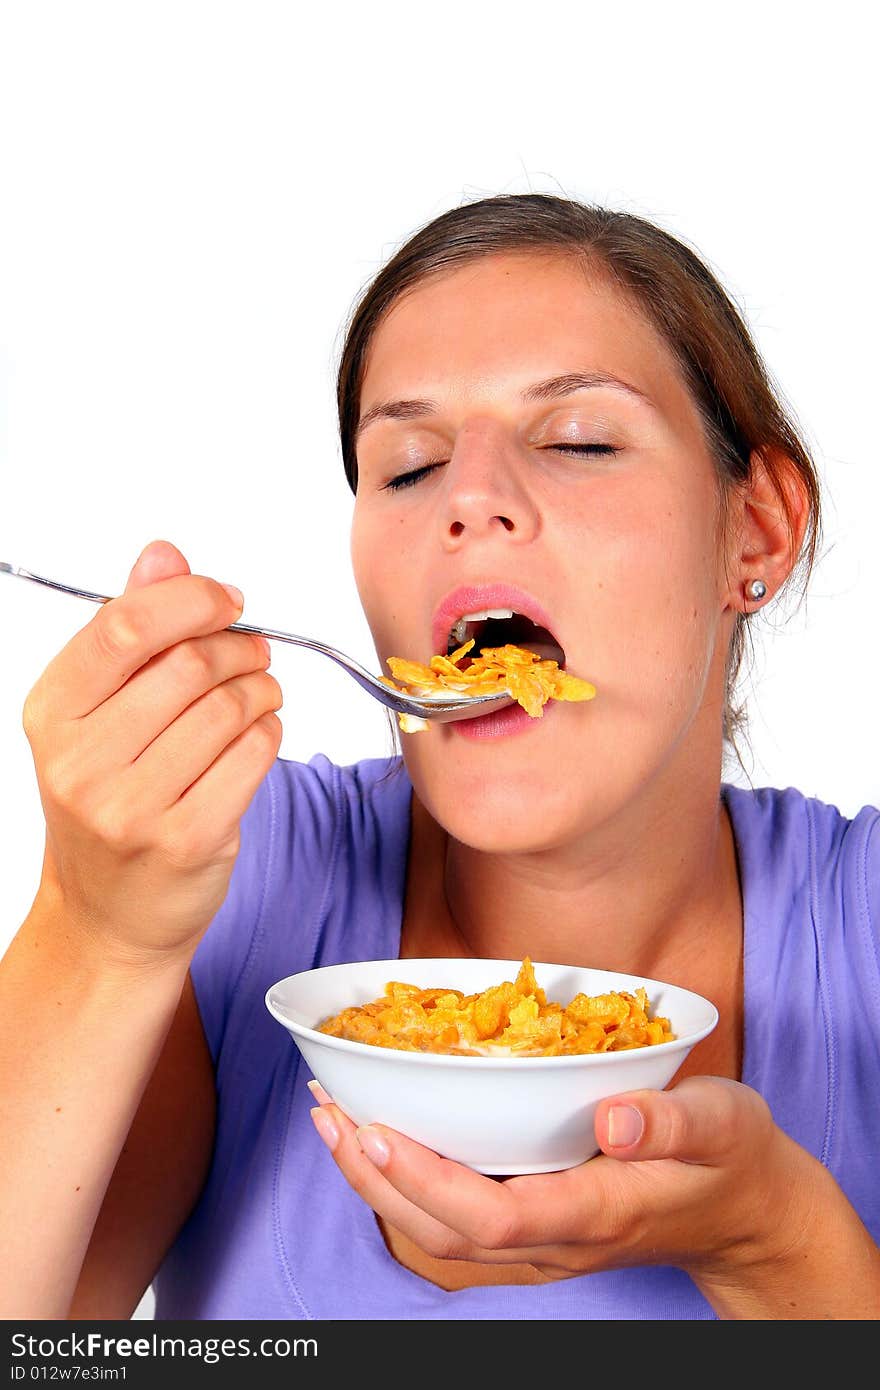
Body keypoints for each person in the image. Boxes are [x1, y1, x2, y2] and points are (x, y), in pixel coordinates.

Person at [2, 194, 878, 1322]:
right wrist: (98, 927)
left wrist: (775, 1241)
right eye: (407, 466)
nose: (467, 497)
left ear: (753, 528)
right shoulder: (235, 866)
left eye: (577, 441)